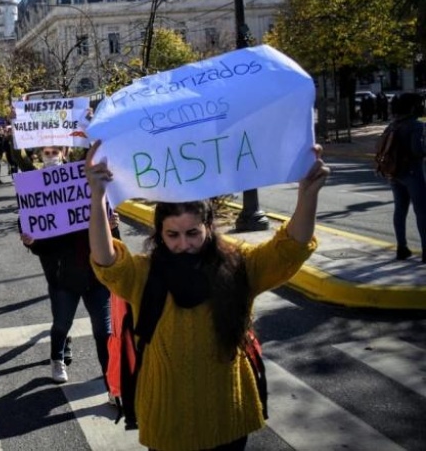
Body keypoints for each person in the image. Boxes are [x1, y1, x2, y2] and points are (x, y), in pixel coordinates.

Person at [85, 140, 329, 451]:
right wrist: (97, 197)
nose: (183, 244)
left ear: (209, 227)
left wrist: (308, 195)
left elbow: (289, 249)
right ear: (159, 233)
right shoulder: (143, 273)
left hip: (228, 417)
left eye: (193, 233)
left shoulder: (238, 264)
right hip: (167, 421)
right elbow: (106, 262)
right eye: (172, 235)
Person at [18, 146, 114, 391]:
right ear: (40, 155)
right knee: (62, 324)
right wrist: (32, 240)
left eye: (55, 152)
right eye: (47, 152)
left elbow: (113, 241)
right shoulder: (36, 187)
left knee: (104, 332)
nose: (51, 156)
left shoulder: (85, 183)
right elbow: (34, 227)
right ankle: (57, 358)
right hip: (64, 278)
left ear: (64, 153)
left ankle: (112, 382)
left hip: (96, 276)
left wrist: (111, 225)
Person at [382, 92, 426, 261]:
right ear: (412, 107)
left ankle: (402, 247)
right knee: (422, 212)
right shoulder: (416, 126)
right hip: (413, 173)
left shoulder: (393, 125)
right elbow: (417, 150)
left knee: (400, 210)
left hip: (395, 173)